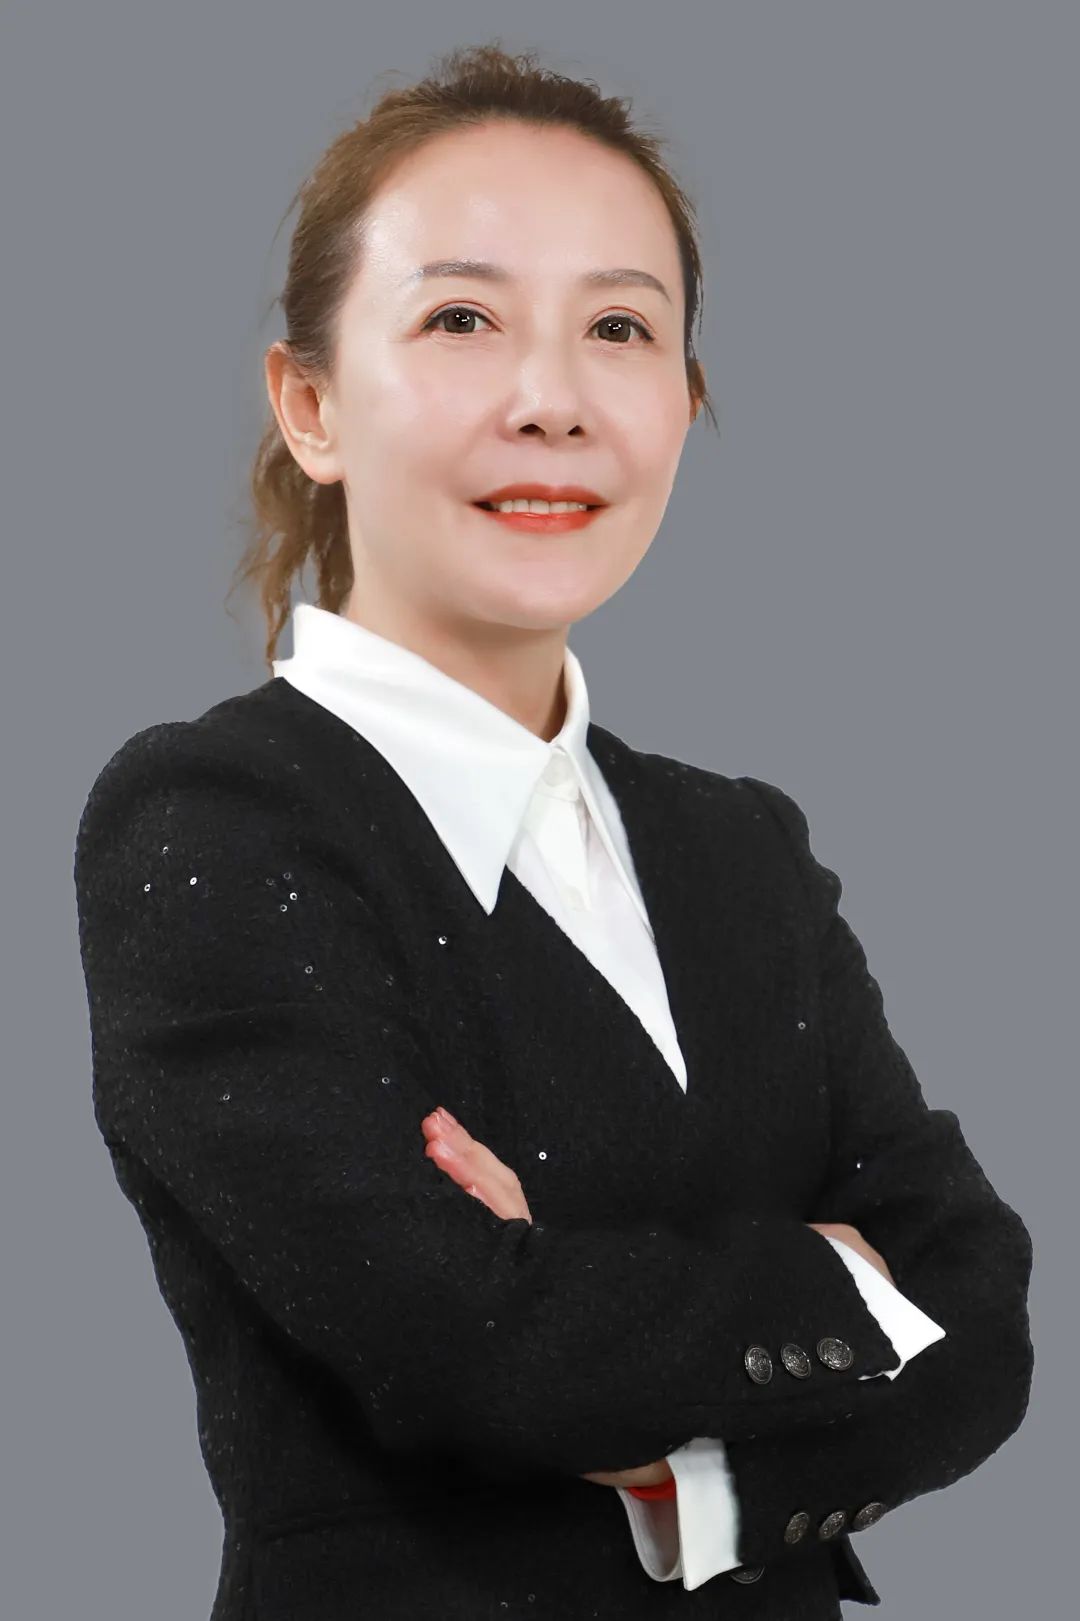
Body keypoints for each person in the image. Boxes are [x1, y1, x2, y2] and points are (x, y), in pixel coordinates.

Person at [73, 41, 1033, 1620]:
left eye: (620, 328)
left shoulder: (743, 847)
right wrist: (847, 1278)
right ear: (310, 404)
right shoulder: (216, 819)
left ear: (685, 401)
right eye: (461, 319)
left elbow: (985, 1323)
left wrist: (681, 1468)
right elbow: (466, 1345)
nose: (553, 401)